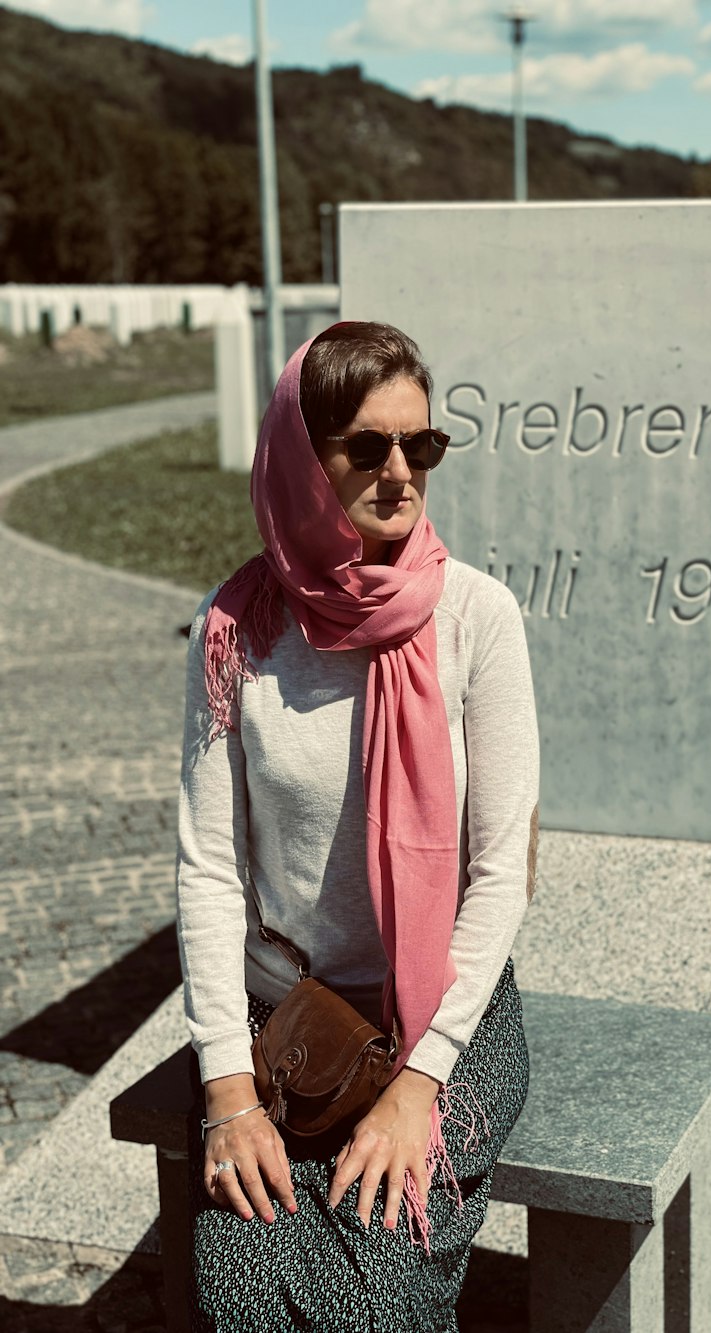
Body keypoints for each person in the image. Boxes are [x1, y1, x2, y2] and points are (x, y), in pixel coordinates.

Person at [175, 320, 539, 1331]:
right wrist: (227, 1089)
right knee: (242, 1289)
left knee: (377, 1291)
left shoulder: (477, 617)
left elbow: (498, 871)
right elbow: (209, 872)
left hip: (442, 1015)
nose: (399, 470)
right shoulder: (235, 631)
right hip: (283, 1026)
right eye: (365, 447)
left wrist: (419, 1082)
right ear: (301, 456)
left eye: (420, 445)